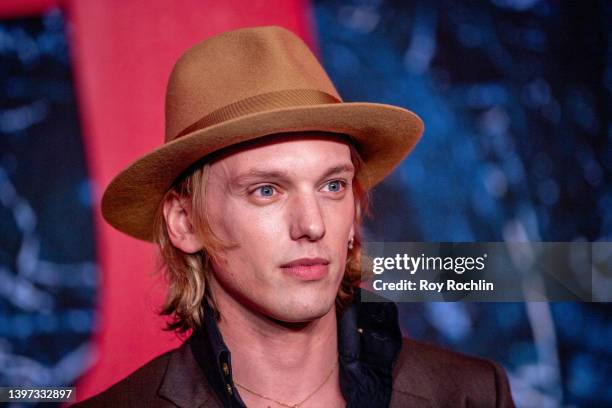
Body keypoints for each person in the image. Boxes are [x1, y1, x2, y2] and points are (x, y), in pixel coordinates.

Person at [75, 26, 515, 407]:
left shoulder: (469, 395)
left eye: (333, 186)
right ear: (185, 223)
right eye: (266, 190)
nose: (313, 224)